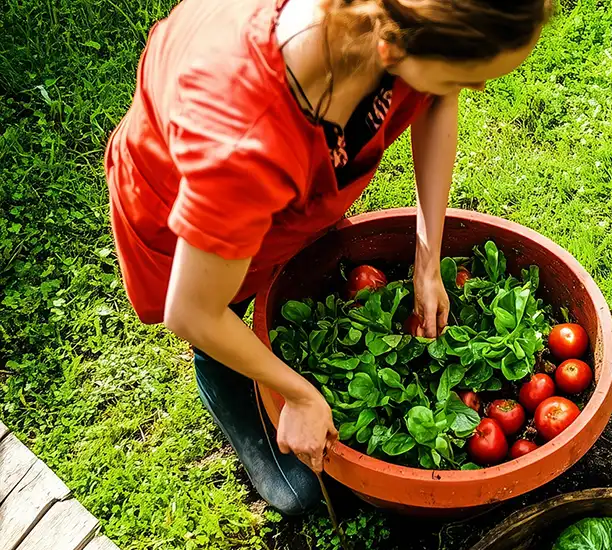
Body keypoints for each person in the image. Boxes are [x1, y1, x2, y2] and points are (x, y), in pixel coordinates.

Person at [105, 0, 548, 514]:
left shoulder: (387, 19)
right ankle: (228, 384)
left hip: (280, 185)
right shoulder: (242, 147)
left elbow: (435, 97)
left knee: (302, 251)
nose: (474, 91)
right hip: (179, 208)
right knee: (224, 321)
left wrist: (429, 259)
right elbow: (193, 311)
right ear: (392, 47)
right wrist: (300, 395)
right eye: (470, 78)